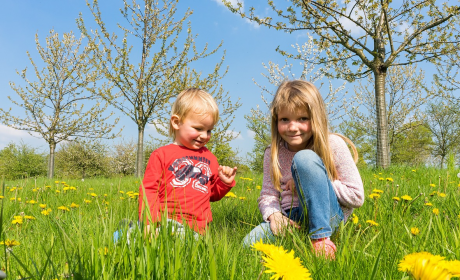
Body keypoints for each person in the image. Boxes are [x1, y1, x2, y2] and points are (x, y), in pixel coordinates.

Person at [243, 80, 364, 259]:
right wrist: (275, 216)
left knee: (304, 158)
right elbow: (268, 195)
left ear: (316, 118)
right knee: (249, 244)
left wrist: (311, 180)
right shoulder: (272, 152)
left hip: (328, 216)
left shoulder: (334, 145)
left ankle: (321, 239)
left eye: (302, 119)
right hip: (291, 218)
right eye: (285, 119)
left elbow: (356, 196)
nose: (293, 127)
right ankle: (300, 236)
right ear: (276, 120)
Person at [138, 88, 238, 238]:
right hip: (165, 222)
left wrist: (224, 183)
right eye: (198, 128)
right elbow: (149, 190)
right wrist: (149, 223)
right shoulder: (161, 155)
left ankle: (130, 232)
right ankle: (132, 232)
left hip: (198, 229)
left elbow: (212, 194)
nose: (204, 136)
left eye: (209, 130)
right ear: (176, 122)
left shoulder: (210, 158)